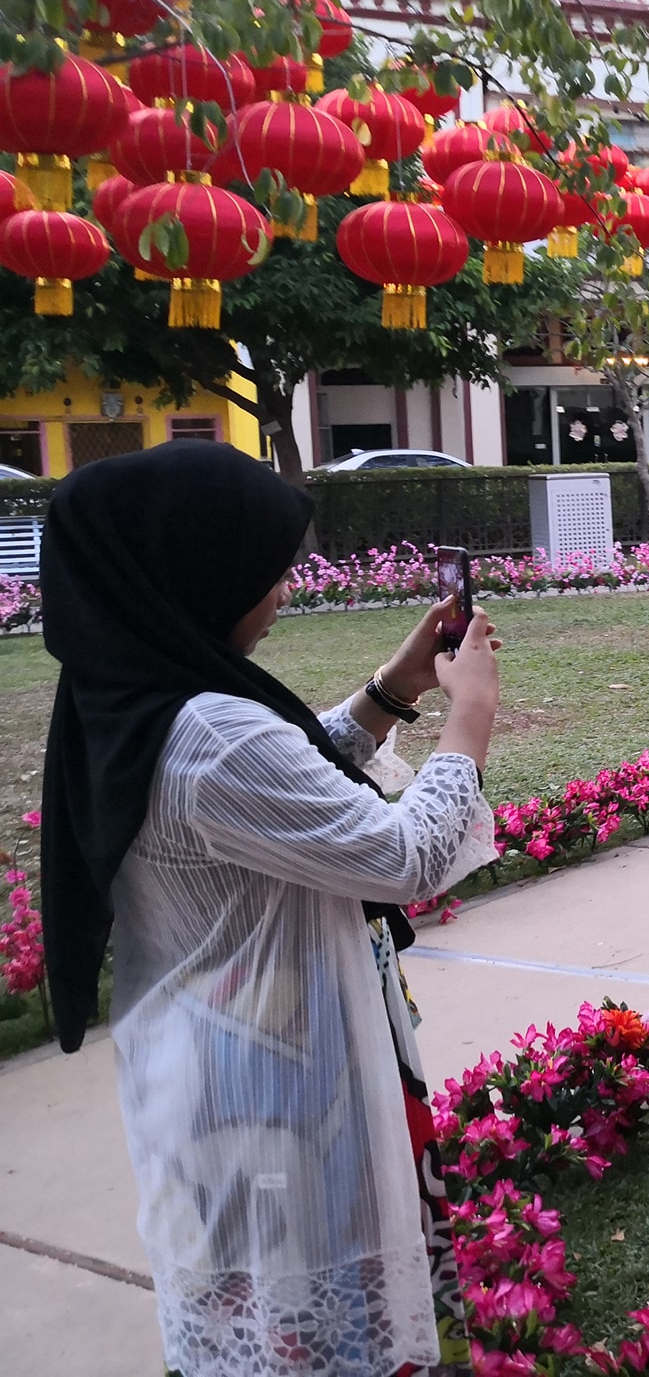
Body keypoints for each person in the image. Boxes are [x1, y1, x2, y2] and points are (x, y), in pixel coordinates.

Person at [38, 443, 502, 1377]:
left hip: (214, 1068)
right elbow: (404, 854)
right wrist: (469, 721)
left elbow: (283, 786)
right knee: (313, 1334)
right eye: (268, 567)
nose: (286, 587)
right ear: (198, 569)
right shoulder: (211, 730)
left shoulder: (134, 686)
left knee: (258, 1321)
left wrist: (392, 691)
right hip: (277, 1093)